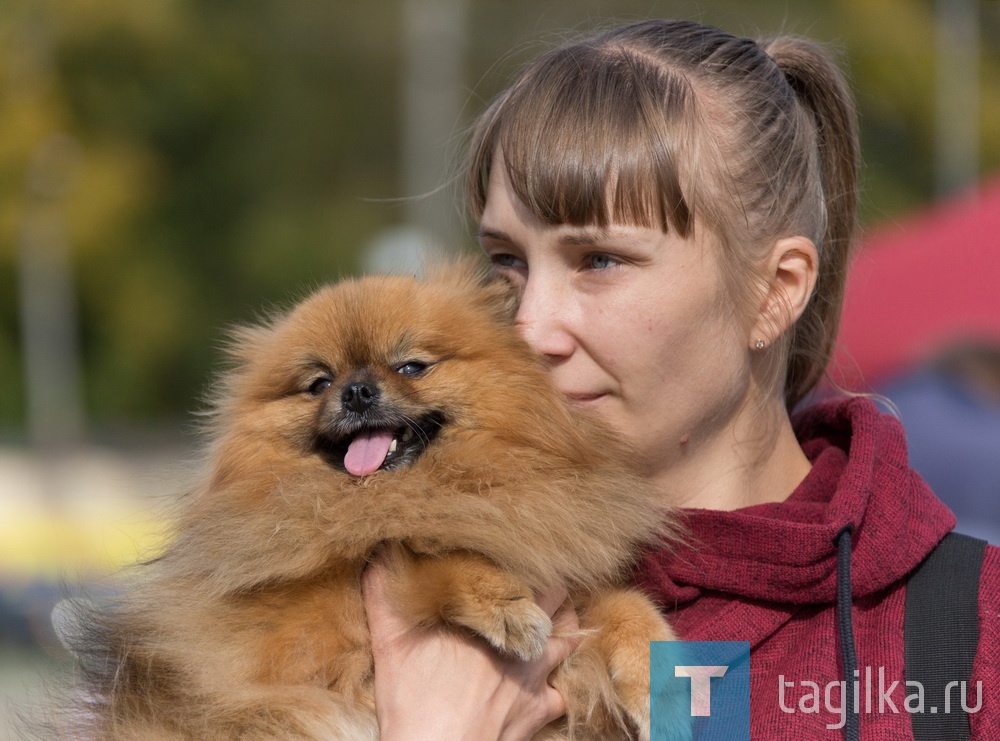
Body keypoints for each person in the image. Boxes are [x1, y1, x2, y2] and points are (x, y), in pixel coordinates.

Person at [362, 18, 1000, 739]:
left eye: (599, 259)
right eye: (508, 261)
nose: (530, 326)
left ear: (774, 291)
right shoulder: (411, 599)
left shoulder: (973, 636)